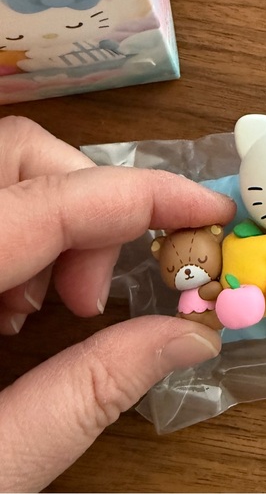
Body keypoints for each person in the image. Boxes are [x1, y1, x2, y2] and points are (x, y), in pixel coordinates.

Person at [0, 116, 236, 492]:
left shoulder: (213, 281)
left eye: (196, 262)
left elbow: (216, 292)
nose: (187, 271)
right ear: (159, 255)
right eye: (176, 268)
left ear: (216, 237)